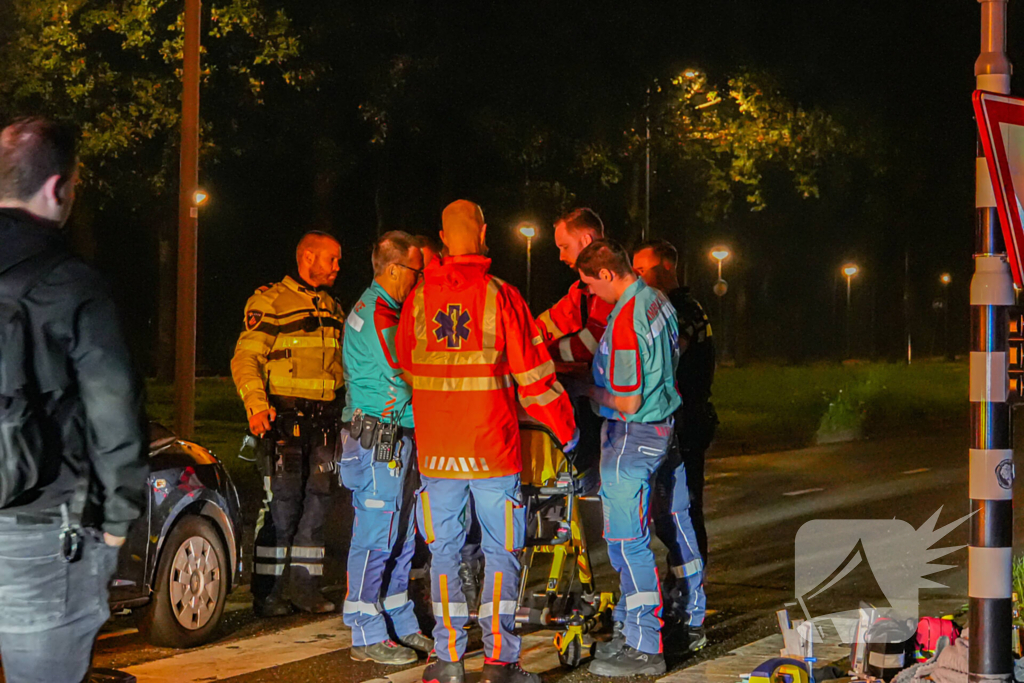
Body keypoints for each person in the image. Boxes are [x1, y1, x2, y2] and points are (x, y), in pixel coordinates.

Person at [396, 200, 578, 683]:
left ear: (441, 235)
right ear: (480, 232)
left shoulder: (417, 299)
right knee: (501, 554)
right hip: (493, 451)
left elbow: (409, 367)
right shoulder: (502, 296)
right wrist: (568, 431)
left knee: (444, 554)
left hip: (437, 453)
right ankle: (500, 662)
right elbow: (535, 380)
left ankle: (448, 660)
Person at [0, 117, 148, 683]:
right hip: (40, 527)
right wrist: (117, 520)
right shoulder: (72, 283)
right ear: (58, 188)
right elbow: (113, 405)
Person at [573, 239, 681, 677]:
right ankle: (631, 628)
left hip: (633, 435)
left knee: (626, 541)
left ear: (606, 274)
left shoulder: (625, 322)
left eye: (589, 284)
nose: (590, 294)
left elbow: (628, 401)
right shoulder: (656, 300)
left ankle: (643, 645)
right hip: (662, 427)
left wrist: (586, 390)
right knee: (630, 538)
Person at [230, 231, 345, 616]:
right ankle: (267, 592)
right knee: (281, 506)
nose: (337, 267)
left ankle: (305, 588)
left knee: (317, 506)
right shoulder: (272, 302)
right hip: (284, 421)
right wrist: (256, 405)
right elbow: (246, 358)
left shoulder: (332, 307)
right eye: (332, 259)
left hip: (324, 423)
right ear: (308, 257)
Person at [340, 231, 433, 664]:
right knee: (376, 534)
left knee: (402, 533)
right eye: (416, 270)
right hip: (380, 436)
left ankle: (397, 615)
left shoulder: (384, 309)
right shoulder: (379, 314)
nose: (419, 279)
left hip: (395, 435)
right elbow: (408, 374)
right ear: (395, 268)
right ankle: (364, 628)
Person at [633, 239, 714, 649]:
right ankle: (681, 589)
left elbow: (666, 357)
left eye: (643, 270)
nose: (638, 278)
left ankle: (687, 600)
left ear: (665, 268)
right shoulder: (685, 307)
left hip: (686, 422)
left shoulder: (681, 311)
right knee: (673, 513)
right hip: (684, 420)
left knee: (681, 514)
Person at [534, 208, 613, 364]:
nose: (561, 257)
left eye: (565, 247)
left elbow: (589, 346)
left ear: (586, 241)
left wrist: (538, 352)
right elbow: (554, 321)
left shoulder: (610, 287)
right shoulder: (581, 290)